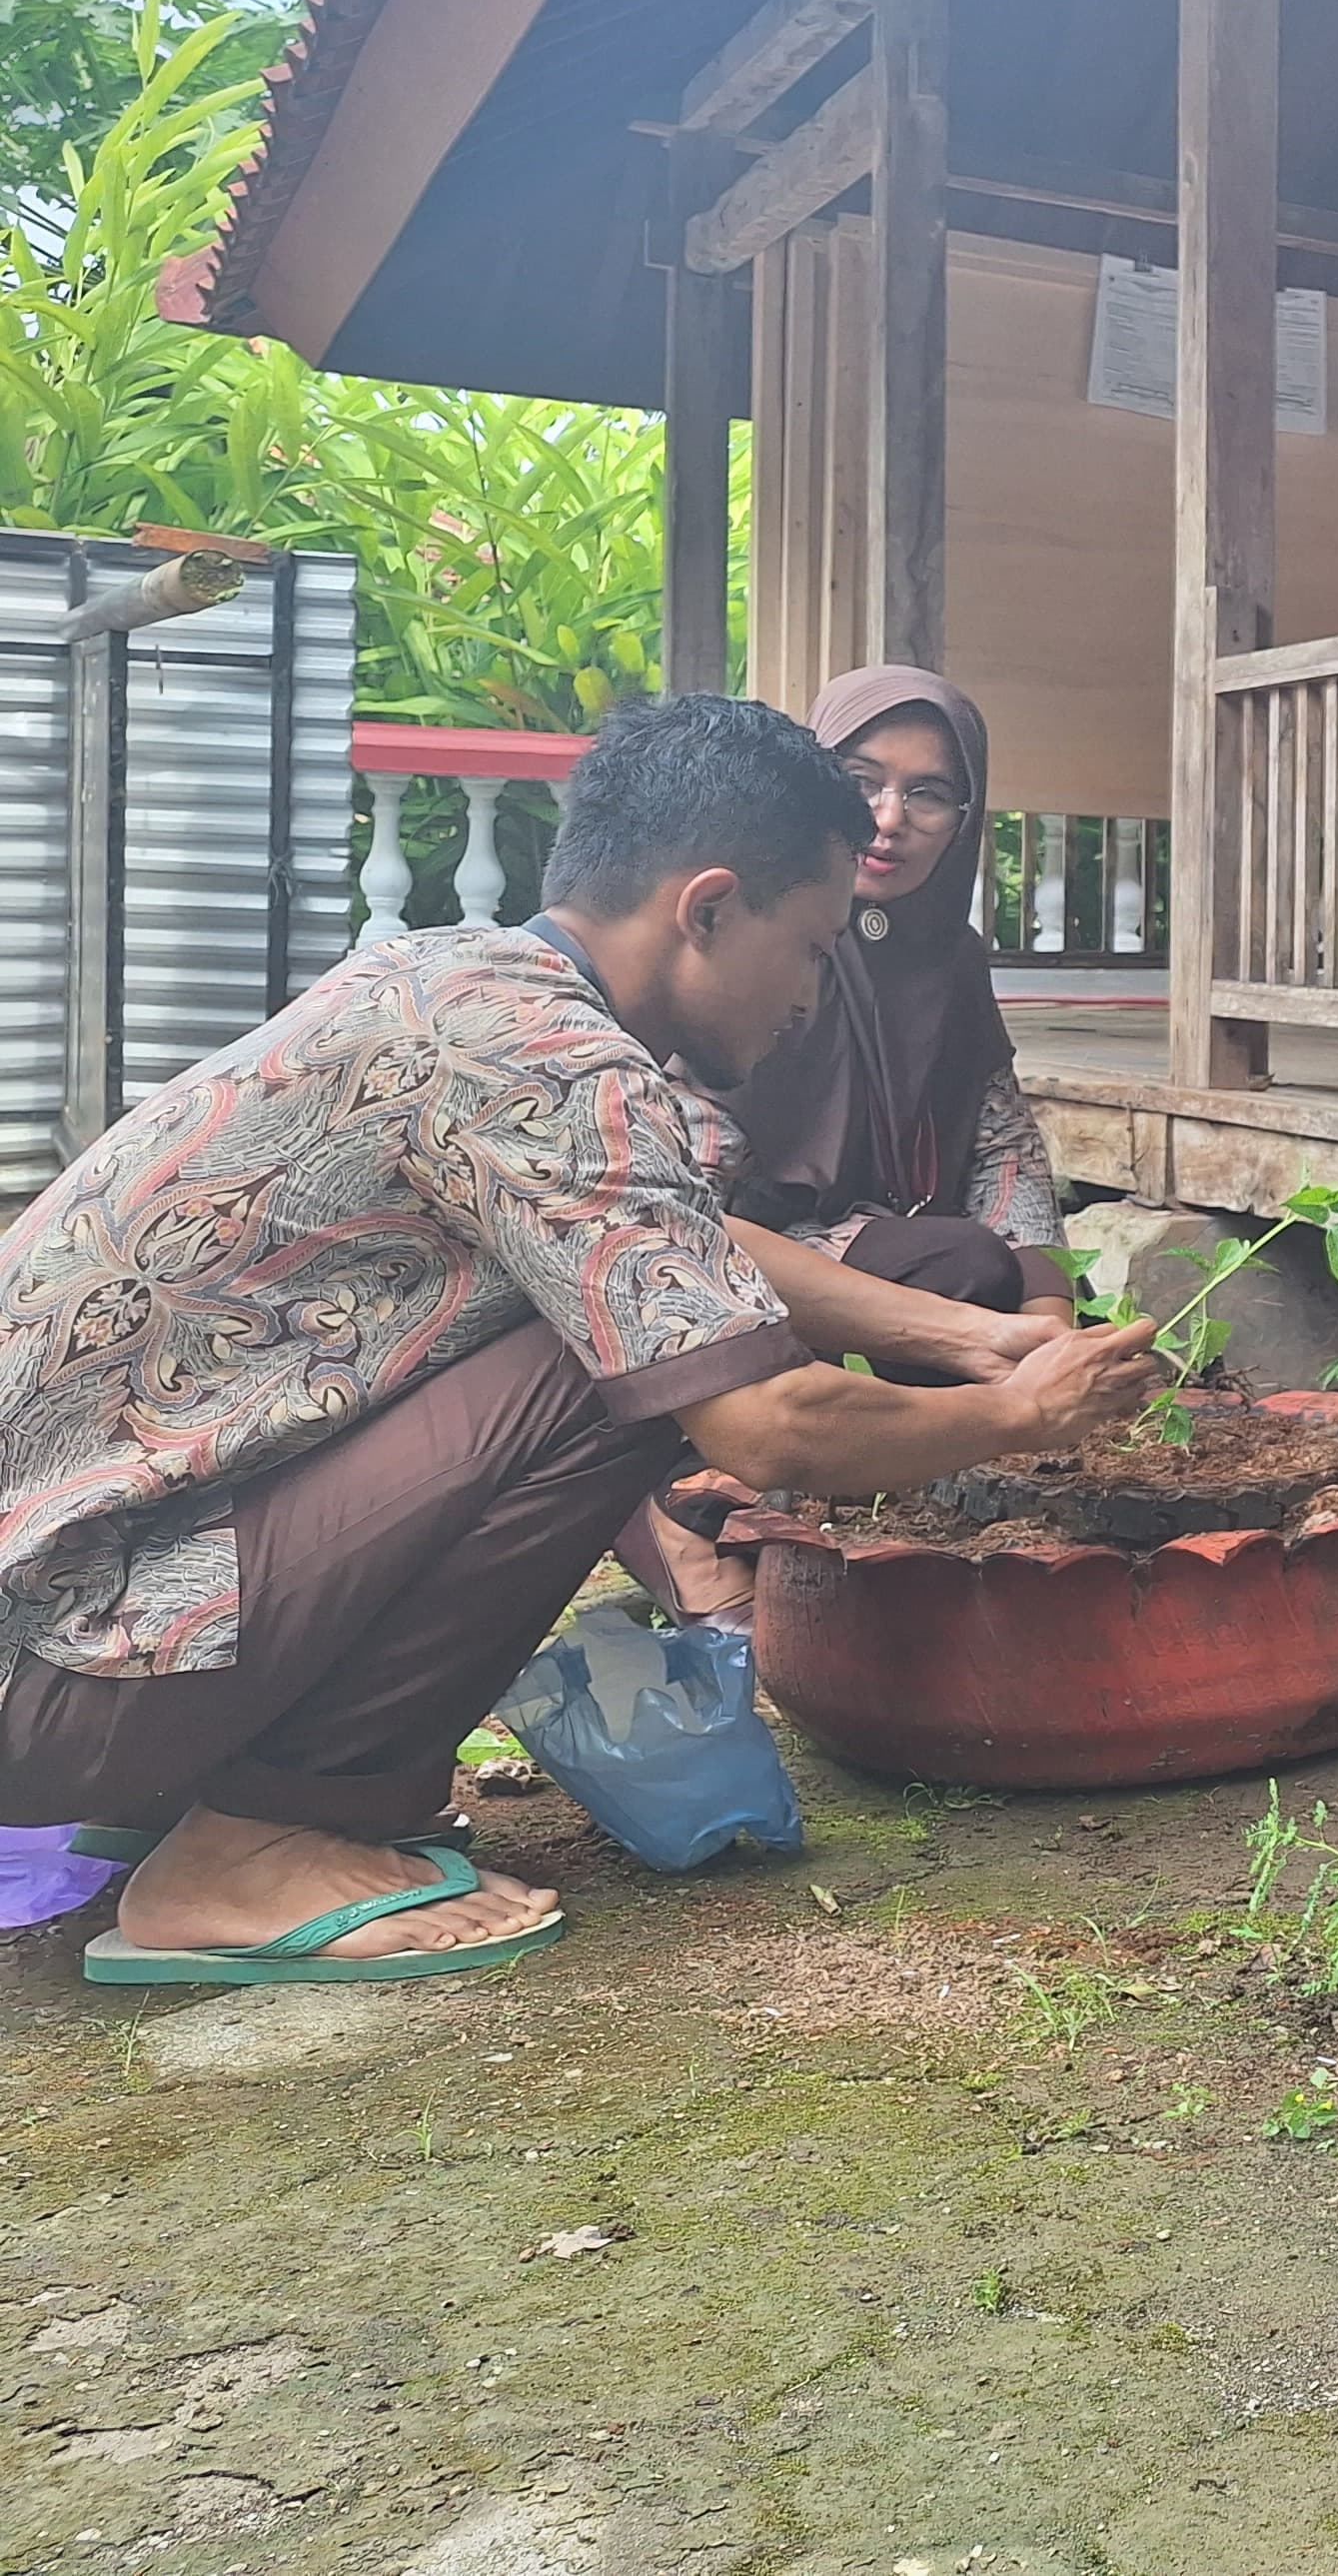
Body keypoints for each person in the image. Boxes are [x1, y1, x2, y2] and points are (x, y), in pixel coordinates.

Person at [0, 693, 1163, 1986]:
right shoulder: (557, 1067)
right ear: (709, 909)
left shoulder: (461, 986)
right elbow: (764, 1420)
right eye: (813, 944)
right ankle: (260, 1840)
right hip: (58, 1665)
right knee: (623, 1373)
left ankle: (229, 1782)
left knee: (640, 1314)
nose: (812, 991)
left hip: (58, 1612)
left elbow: (696, 1246)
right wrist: (1027, 1414)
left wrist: (973, 1336)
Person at [623, 668, 1070, 1625]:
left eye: (930, 793)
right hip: (718, 1227)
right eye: (861, 779)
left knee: (970, 1265)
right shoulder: (751, 920)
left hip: (864, 1228)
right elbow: (677, 1157)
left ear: (965, 815)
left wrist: (1048, 1308)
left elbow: (1002, 1139)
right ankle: (674, 1513)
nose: (889, 817)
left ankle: (925, 1499)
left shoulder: (951, 958)